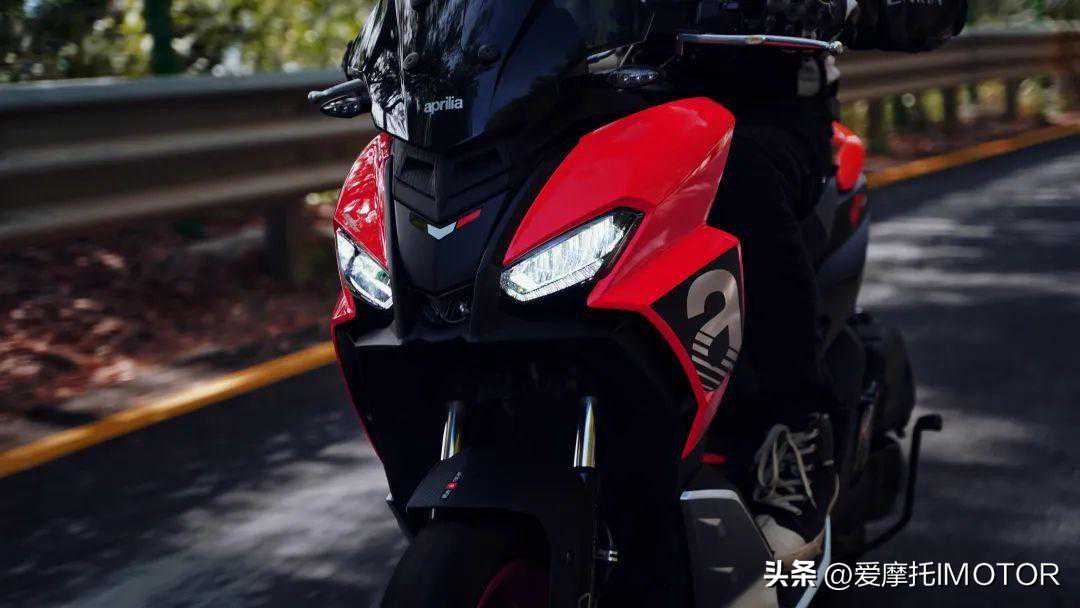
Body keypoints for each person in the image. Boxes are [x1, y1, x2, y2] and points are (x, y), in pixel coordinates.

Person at [666, 0, 969, 564]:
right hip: (626, 110)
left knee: (739, 172)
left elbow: (938, 10)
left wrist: (849, 6)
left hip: (767, 117)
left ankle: (799, 436)